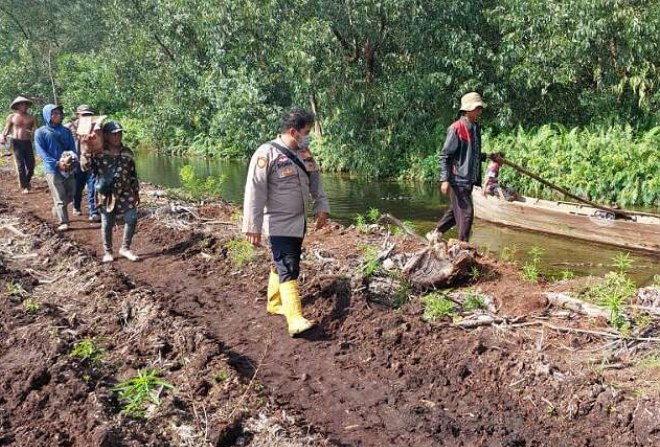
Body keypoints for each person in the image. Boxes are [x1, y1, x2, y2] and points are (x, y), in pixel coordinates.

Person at [243, 107, 330, 337]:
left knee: (281, 261)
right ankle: (295, 319)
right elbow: (255, 191)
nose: (309, 135)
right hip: (277, 223)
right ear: (293, 131)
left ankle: (274, 302)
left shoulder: (305, 153)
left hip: (299, 222)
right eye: (307, 131)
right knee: (289, 265)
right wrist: (252, 226)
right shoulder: (266, 154)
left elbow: (316, 183)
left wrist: (321, 207)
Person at [427, 92, 501, 243]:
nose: (480, 111)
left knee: (456, 213)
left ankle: (436, 233)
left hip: (469, 179)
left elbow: (471, 154)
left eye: (480, 108)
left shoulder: (475, 128)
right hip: (458, 179)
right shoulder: (456, 128)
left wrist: (488, 156)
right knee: (467, 213)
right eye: (477, 108)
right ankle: (462, 246)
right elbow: (445, 156)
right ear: (468, 110)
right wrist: (444, 179)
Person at [81, 121, 140, 262]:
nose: (117, 136)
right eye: (113, 134)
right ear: (106, 136)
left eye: (119, 133)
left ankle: (125, 248)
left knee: (132, 218)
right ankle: (108, 251)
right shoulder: (99, 152)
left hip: (126, 191)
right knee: (107, 222)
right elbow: (85, 167)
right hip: (106, 193)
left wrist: (136, 192)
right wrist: (86, 150)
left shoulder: (127, 152)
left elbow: (132, 174)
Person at [34, 104, 78, 231]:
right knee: (59, 196)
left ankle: (57, 209)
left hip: (68, 167)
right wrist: (57, 163)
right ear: (47, 115)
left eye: (59, 113)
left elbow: (72, 148)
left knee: (71, 193)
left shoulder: (66, 131)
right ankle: (63, 221)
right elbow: (42, 153)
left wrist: (72, 160)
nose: (58, 116)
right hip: (52, 169)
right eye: (54, 113)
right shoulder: (40, 132)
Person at [67, 104, 100, 221]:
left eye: (88, 115)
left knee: (93, 186)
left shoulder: (94, 127)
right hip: (76, 162)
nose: (86, 117)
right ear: (78, 115)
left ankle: (93, 211)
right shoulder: (70, 127)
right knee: (78, 187)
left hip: (91, 160)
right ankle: (76, 206)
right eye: (84, 115)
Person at [1, 96, 36, 193]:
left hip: (27, 142)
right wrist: (3, 136)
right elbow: (6, 129)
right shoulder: (12, 117)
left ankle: (26, 181)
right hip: (16, 142)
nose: (24, 106)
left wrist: (33, 132)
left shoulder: (31, 117)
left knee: (31, 165)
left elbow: (36, 130)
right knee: (20, 165)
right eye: (21, 104)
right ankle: (24, 186)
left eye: (25, 104)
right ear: (17, 106)